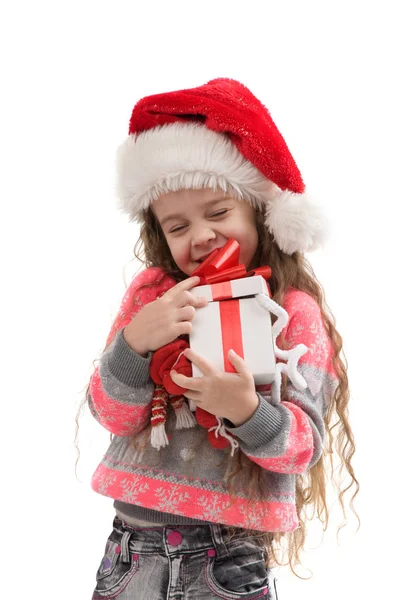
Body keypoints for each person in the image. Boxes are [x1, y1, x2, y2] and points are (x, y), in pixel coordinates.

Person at [83, 78, 358, 599]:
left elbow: (302, 448)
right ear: (157, 232)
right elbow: (110, 414)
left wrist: (247, 410)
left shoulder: (291, 310)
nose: (201, 235)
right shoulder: (152, 296)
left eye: (218, 212)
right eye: (177, 225)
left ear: (259, 211)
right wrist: (134, 346)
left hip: (227, 557)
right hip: (130, 550)